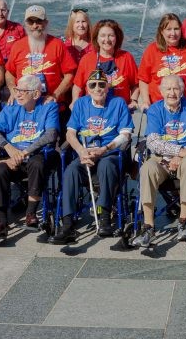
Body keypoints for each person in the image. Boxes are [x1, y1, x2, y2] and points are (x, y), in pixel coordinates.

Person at [56, 69, 133, 242]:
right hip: (86, 152)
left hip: (109, 153)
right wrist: (81, 152)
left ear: (107, 88)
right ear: (87, 88)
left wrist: (105, 149)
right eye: (93, 85)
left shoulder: (118, 103)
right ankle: (67, 222)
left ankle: (104, 214)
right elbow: (70, 133)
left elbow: (126, 134)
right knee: (71, 170)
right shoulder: (81, 104)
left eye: (101, 85)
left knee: (106, 165)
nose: (97, 88)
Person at [132, 75, 186, 248]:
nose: (172, 93)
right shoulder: (155, 110)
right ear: (161, 91)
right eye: (168, 89)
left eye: (176, 89)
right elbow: (153, 142)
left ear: (182, 91)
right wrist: (178, 151)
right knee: (148, 167)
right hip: (162, 159)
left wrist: (181, 156)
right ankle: (148, 226)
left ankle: (184, 221)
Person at [0, 74, 62, 237]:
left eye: (23, 91)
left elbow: (51, 135)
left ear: (36, 94)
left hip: (40, 156)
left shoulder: (48, 107)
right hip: (14, 157)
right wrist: (10, 150)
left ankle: (31, 213)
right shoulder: (11, 107)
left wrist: (24, 153)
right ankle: (2, 221)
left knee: (36, 163)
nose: (18, 94)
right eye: (17, 89)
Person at [5, 5, 77, 126]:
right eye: (30, 22)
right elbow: (9, 73)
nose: (35, 26)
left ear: (46, 22)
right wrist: (13, 91)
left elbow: (69, 74)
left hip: (51, 107)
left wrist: (56, 95)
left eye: (39, 21)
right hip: (24, 107)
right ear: (25, 24)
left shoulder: (57, 44)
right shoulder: (17, 46)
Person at [137, 13, 186, 111]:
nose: (173, 33)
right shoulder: (152, 50)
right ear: (161, 32)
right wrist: (146, 101)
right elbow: (143, 80)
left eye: (176, 29)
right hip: (159, 108)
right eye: (168, 29)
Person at [71, 19, 138, 104]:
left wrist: (134, 101)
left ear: (117, 37)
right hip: (93, 109)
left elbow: (135, 84)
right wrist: (74, 102)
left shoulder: (126, 57)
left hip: (119, 109)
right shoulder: (87, 59)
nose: (107, 39)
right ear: (97, 38)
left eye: (111, 35)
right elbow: (77, 87)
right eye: (103, 35)